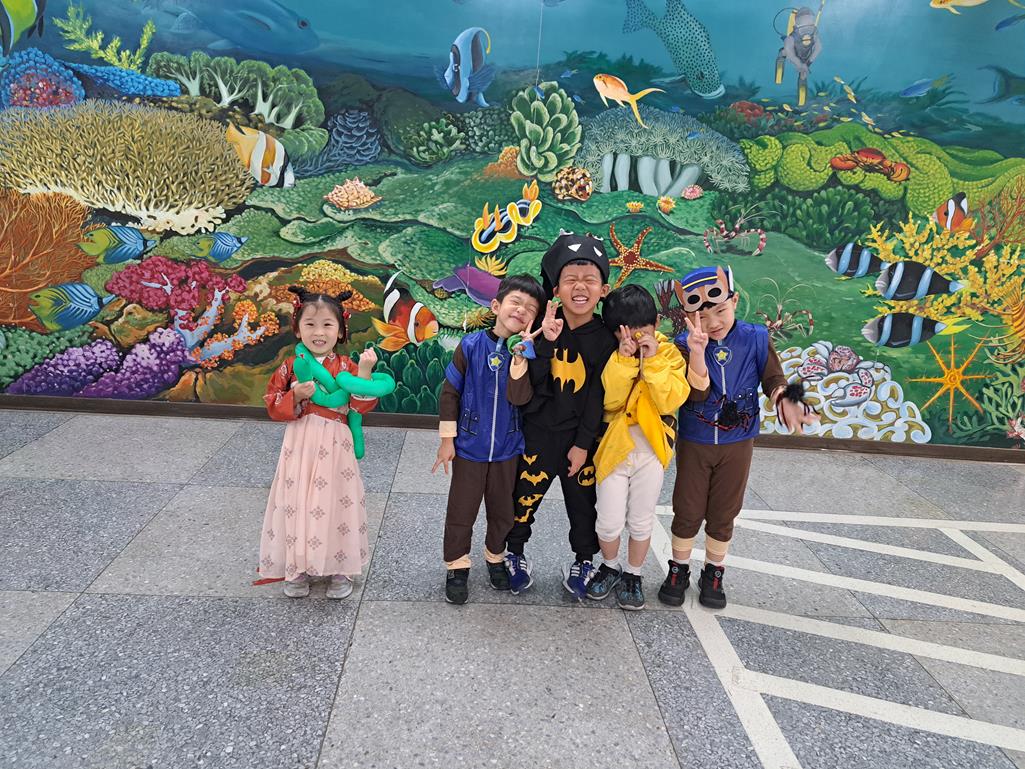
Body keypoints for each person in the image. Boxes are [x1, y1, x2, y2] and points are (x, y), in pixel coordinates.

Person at [659, 266, 819, 609]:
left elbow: (773, 379)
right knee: (687, 507)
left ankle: (714, 571)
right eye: (702, 316)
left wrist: (786, 399)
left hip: (738, 441)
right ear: (689, 316)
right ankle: (678, 568)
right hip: (696, 439)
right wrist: (697, 352)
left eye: (720, 310)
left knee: (725, 510)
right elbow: (695, 395)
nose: (713, 322)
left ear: (733, 301)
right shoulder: (682, 345)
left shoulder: (756, 337)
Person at [503, 231, 618, 600]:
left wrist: (583, 444)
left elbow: (598, 397)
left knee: (583, 504)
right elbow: (532, 384)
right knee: (523, 496)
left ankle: (584, 559)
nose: (580, 287)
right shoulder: (541, 330)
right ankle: (514, 552)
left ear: (603, 289)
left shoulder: (607, 339)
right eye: (570, 280)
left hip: (581, 440)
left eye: (589, 280)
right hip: (538, 432)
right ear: (555, 289)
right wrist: (547, 343)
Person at [257, 287, 380, 599]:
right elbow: (272, 401)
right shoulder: (290, 366)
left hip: (336, 443)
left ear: (340, 331)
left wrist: (365, 372)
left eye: (327, 324)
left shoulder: (347, 366)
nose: (319, 332)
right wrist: (295, 395)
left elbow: (361, 404)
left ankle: (339, 566)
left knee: (337, 499)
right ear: (298, 329)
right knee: (298, 498)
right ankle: (297, 566)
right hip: (300, 442)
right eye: (310, 324)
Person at [433, 274, 547, 604]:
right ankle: (457, 565)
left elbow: (520, 398)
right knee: (462, 510)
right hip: (470, 446)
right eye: (516, 302)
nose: (521, 310)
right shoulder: (470, 346)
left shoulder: (528, 354)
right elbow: (450, 393)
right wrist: (447, 439)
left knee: (503, 512)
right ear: (496, 305)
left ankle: (495, 556)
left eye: (530, 308)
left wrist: (520, 360)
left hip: (507, 450)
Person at [586, 285, 690, 610]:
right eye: (625, 333)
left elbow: (670, 400)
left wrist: (654, 360)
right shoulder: (615, 354)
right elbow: (610, 400)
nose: (634, 338)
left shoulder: (669, 354)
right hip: (613, 448)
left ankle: (633, 573)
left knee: (642, 520)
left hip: (652, 450)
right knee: (608, 521)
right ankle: (610, 565)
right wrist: (625, 360)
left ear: (656, 323)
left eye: (642, 331)